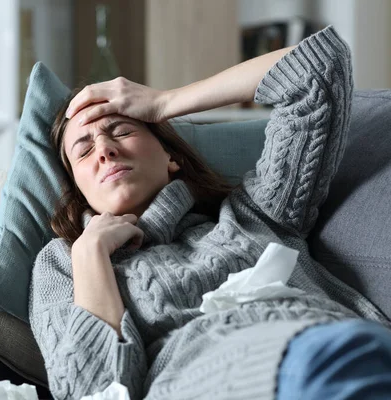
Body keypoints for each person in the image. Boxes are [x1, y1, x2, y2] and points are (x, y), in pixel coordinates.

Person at [28, 25, 391, 400]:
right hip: (238, 377)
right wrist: (90, 255)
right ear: (80, 190)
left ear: (170, 157)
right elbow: (95, 391)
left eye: (120, 130)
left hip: (343, 345)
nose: (104, 149)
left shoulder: (256, 212)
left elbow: (320, 66)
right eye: (83, 151)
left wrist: (164, 102)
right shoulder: (63, 263)